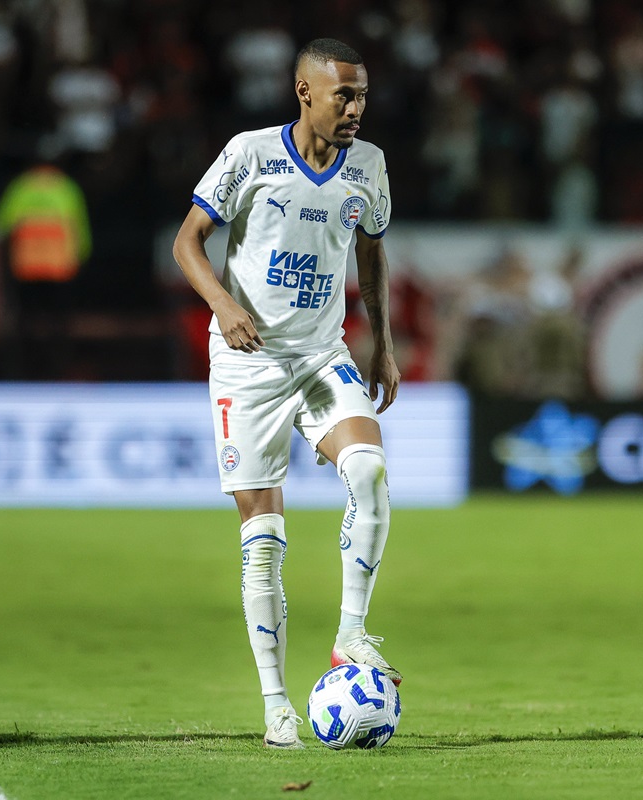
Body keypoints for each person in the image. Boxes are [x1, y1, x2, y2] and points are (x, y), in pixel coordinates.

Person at [172, 38, 400, 750]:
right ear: (304, 92)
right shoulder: (250, 154)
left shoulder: (369, 167)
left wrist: (384, 343)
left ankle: (351, 633)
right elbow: (187, 242)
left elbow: (372, 250)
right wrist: (222, 306)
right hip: (249, 366)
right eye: (344, 95)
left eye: (362, 95)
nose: (356, 108)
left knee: (368, 470)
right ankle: (276, 705)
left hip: (322, 356)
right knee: (264, 541)